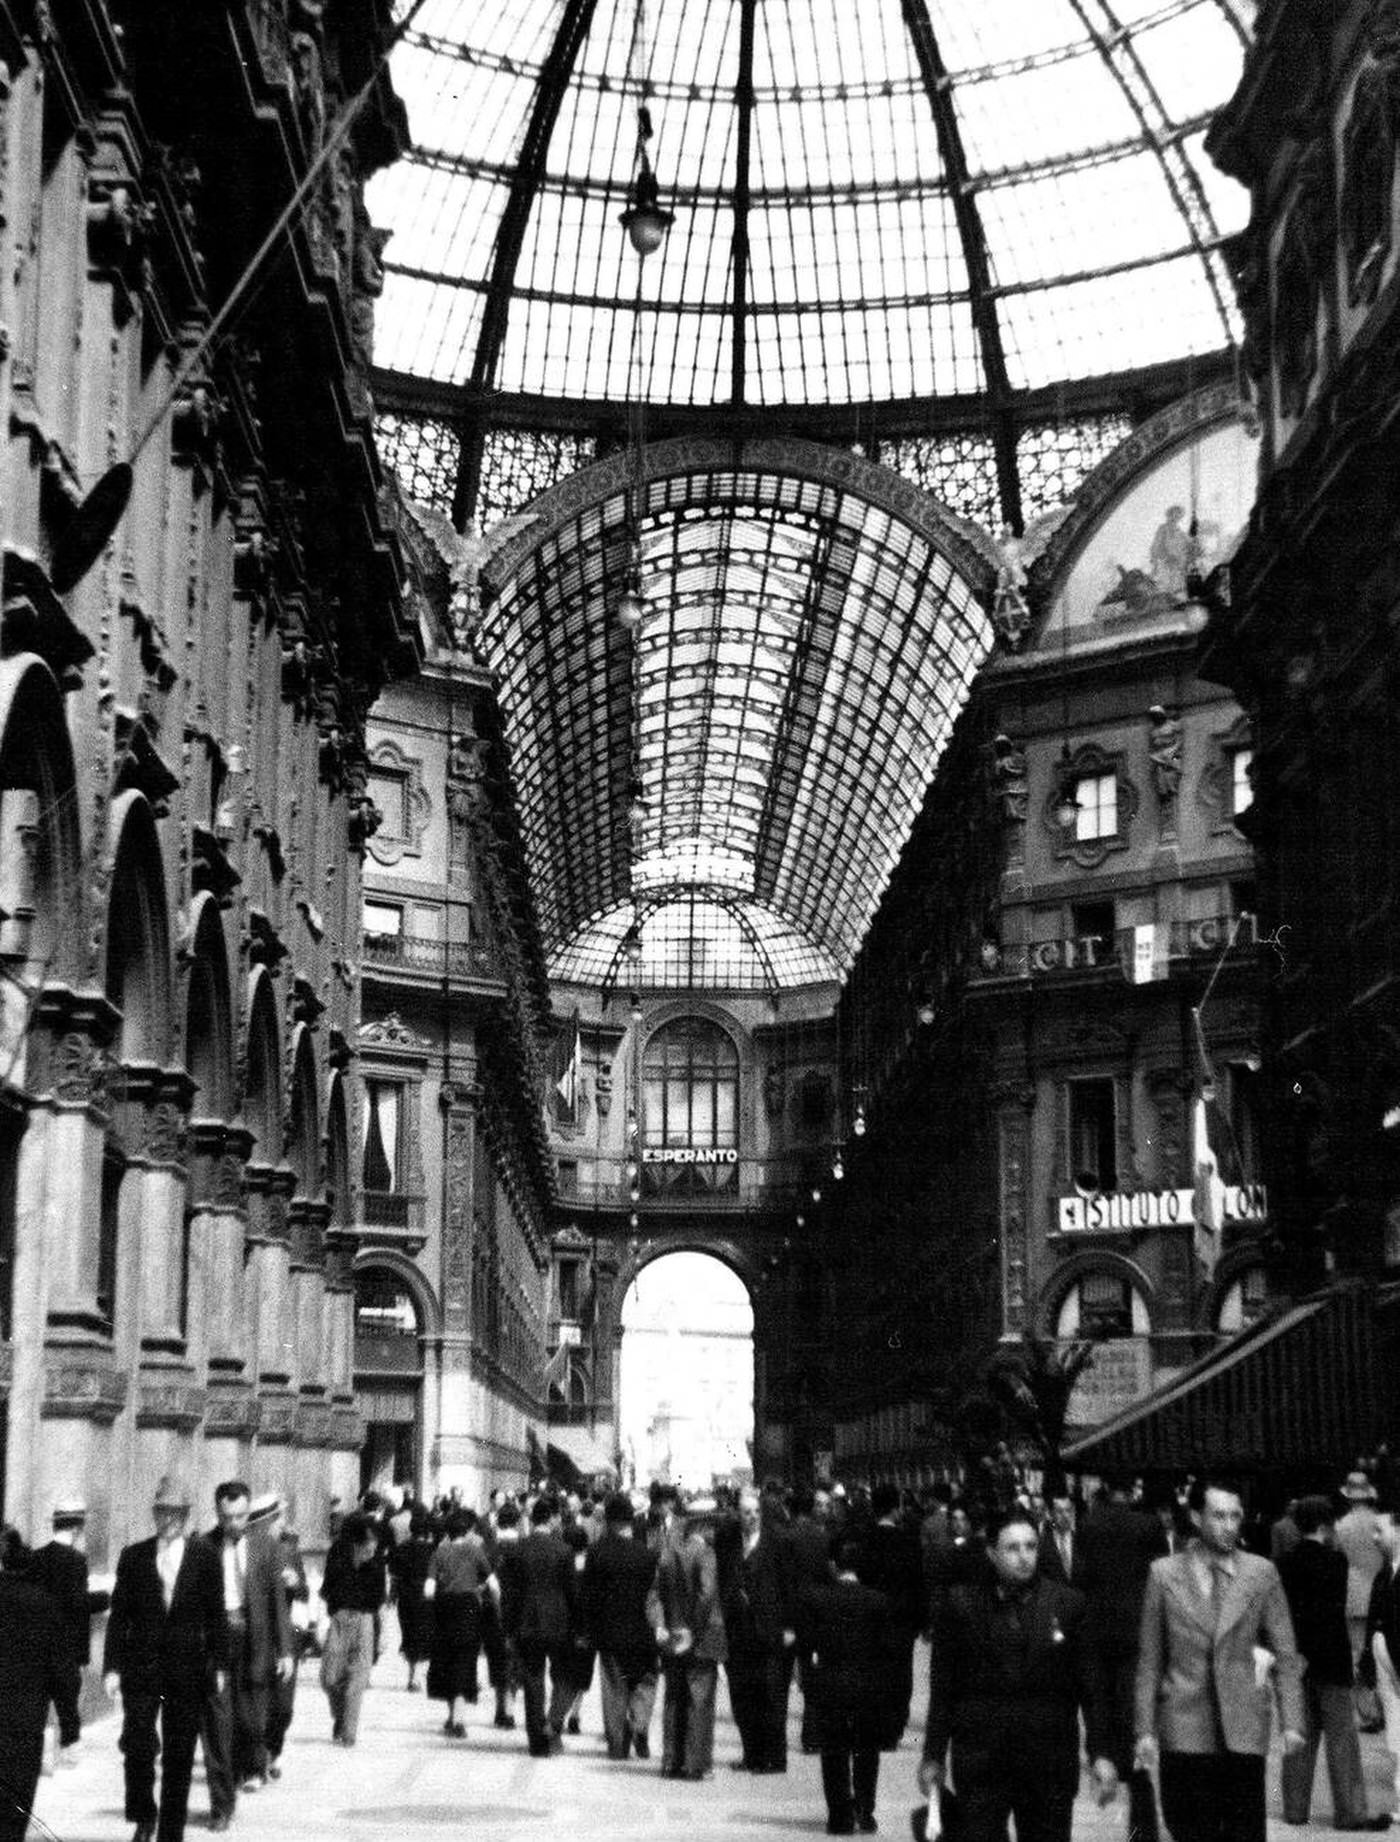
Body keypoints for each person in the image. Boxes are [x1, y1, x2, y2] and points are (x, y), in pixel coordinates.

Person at [919, 1503, 1115, 1842]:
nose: (1024, 1556)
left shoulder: (1068, 1605)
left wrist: (1100, 1753)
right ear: (992, 1553)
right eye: (1012, 1548)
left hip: (1048, 1761)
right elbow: (944, 1688)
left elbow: (1091, 1686)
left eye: (1030, 1546)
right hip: (982, 1761)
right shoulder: (961, 1606)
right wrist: (933, 1755)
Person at [1134, 1474, 1305, 1842]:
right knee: (1188, 1828)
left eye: (1235, 1516)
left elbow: (1286, 1654)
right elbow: (1150, 1659)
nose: (1229, 1526)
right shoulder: (1163, 1575)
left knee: (1244, 1832)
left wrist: (1292, 1722)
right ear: (1196, 1517)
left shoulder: (1261, 1574)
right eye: (1218, 1516)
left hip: (1242, 1726)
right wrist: (1144, 1729)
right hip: (1184, 1725)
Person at [103, 1472, 229, 1842]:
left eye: (175, 1513)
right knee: (138, 1746)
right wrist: (111, 1666)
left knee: (179, 1753)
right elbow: (118, 1616)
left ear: (186, 1515)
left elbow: (217, 1615)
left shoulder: (205, 1557)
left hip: (186, 1671)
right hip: (141, 1671)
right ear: (154, 1513)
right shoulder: (134, 1556)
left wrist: (219, 1663)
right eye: (161, 1512)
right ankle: (144, 1815)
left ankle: (171, 1831)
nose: (168, 1520)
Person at [1278, 1493, 1388, 1830]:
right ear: (1326, 1525)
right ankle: (1349, 1811)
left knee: (1299, 1735)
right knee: (1342, 1740)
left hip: (1298, 1657)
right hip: (1332, 1656)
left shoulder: (1284, 1562)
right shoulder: (1336, 1562)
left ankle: (1295, 1809)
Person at [1075, 1470, 1170, 1842]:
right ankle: (1141, 1817)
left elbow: (1080, 1575)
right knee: (1135, 1710)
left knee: (1100, 1702)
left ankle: (1103, 1760)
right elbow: (1160, 1575)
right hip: (1137, 1627)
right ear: (1133, 1489)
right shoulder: (1148, 1526)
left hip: (1097, 1627)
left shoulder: (1089, 1524)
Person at [800, 1535, 905, 1836]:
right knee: (866, 1751)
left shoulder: (816, 1598)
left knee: (833, 1752)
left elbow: (806, 1644)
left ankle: (839, 1815)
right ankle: (865, 1810)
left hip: (831, 1683)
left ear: (833, 1565)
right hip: (867, 1685)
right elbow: (889, 1650)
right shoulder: (878, 1601)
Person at [200, 1478, 292, 1819]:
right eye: (227, 1517)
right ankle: (223, 1800)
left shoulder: (266, 1546)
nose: (233, 1524)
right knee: (218, 1721)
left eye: (239, 1516)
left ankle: (252, 1763)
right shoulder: (204, 1546)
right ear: (218, 1513)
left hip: (254, 1638)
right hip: (217, 1639)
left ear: (247, 1512)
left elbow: (277, 1603)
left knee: (252, 1717)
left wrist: (285, 1650)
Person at [717, 1485, 798, 1774]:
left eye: (755, 1512)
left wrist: (790, 1626)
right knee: (742, 1697)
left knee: (772, 1696)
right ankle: (751, 1755)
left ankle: (775, 1758)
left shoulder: (778, 1542)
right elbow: (721, 1580)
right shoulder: (727, 1540)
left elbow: (791, 1587)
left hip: (771, 1632)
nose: (751, 1517)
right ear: (737, 1515)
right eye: (745, 1512)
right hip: (738, 1633)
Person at [647, 1494, 726, 1780]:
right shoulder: (706, 1555)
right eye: (713, 1525)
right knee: (699, 1700)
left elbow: (654, 1593)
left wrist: (660, 1625)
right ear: (703, 1525)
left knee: (673, 1699)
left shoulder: (668, 1553)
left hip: (671, 1637)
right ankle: (695, 1763)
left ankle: (671, 1760)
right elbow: (705, 1595)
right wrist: (692, 1628)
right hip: (700, 1638)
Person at [0, 1524, 71, 1842]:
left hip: (20, 1722)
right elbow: (61, 1668)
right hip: (22, 1726)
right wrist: (70, 1720)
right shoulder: (40, 1604)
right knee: (13, 1816)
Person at [497, 1495, 579, 1757]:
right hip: (559, 1623)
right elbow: (571, 1592)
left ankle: (536, 1740)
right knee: (563, 1676)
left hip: (526, 1623)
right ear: (553, 1519)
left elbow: (509, 1594)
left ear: (531, 1520)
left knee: (533, 1681)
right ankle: (553, 1725)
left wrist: (508, 1628)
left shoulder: (518, 1550)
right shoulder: (564, 1550)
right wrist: (578, 1627)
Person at [28, 1495, 108, 1754]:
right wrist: (105, 1598)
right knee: (68, 1702)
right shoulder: (76, 1560)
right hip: (67, 1647)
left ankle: (40, 1748)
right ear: (76, 1527)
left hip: (39, 1644)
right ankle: (68, 1747)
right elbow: (76, 1602)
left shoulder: (36, 1557)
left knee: (39, 1701)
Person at [584, 1490, 660, 1760]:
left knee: (614, 1687)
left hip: (610, 1633)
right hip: (643, 1632)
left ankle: (617, 1745)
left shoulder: (596, 1553)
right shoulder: (648, 1556)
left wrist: (588, 1631)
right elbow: (655, 1596)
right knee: (646, 1681)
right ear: (631, 1520)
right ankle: (639, 1724)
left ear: (609, 1520)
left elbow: (588, 1596)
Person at [425, 1506, 495, 1736]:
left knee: (446, 1660)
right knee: (465, 1660)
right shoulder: (476, 1551)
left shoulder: (439, 1553)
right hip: (469, 1608)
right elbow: (493, 1584)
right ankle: (459, 1718)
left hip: (445, 1608)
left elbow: (428, 1590)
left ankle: (451, 1715)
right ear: (467, 1531)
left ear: (448, 1532)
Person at [319, 1511, 385, 1747]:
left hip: (365, 1621)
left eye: (375, 1547)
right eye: (368, 1547)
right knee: (329, 1678)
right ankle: (341, 1716)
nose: (373, 1552)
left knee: (358, 1678)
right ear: (355, 1545)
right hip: (339, 1619)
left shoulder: (377, 1562)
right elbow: (326, 1588)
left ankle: (349, 1732)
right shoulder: (338, 1554)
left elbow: (380, 1599)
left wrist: (383, 1631)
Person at [1340, 1470, 1387, 1732]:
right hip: (1383, 1591)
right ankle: (1388, 1708)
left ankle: (1370, 1713)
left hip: (1355, 1595)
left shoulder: (1341, 1526)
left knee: (1358, 1655)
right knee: (1385, 1651)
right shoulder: (1381, 1522)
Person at [1363, 1496, 1400, 1820]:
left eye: (1380, 1530)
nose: (1375, 1537)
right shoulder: (1382, 1575)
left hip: (1396, 1663)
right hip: (1386, 1663)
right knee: (1396, 1736)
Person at [482, 1499, 521, 1729]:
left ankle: (499, 1708)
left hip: (492, 1611)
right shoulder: (523, 1549)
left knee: (496, 1660)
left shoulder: (489, 1549)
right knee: (514, 1661)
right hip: (516, 1612)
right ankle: (509, 1709)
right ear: (518, 1522)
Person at [389, 1503, 436, 1693]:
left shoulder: (401, 1549)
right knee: (424, 1633)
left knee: (409, 1632)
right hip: (427, 1596)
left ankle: (412, 1672)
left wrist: (392, 1595)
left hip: (406, 1595)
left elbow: (394, 1574)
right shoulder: (433, 1550)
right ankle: (417, 1673)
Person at [1039, 1487, 1079, 1586]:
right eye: (1060, 1511)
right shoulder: (1044, 1543)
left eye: (1068, 1510)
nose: (1065, 1515)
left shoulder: (1081, 1540)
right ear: (1051, 1514)